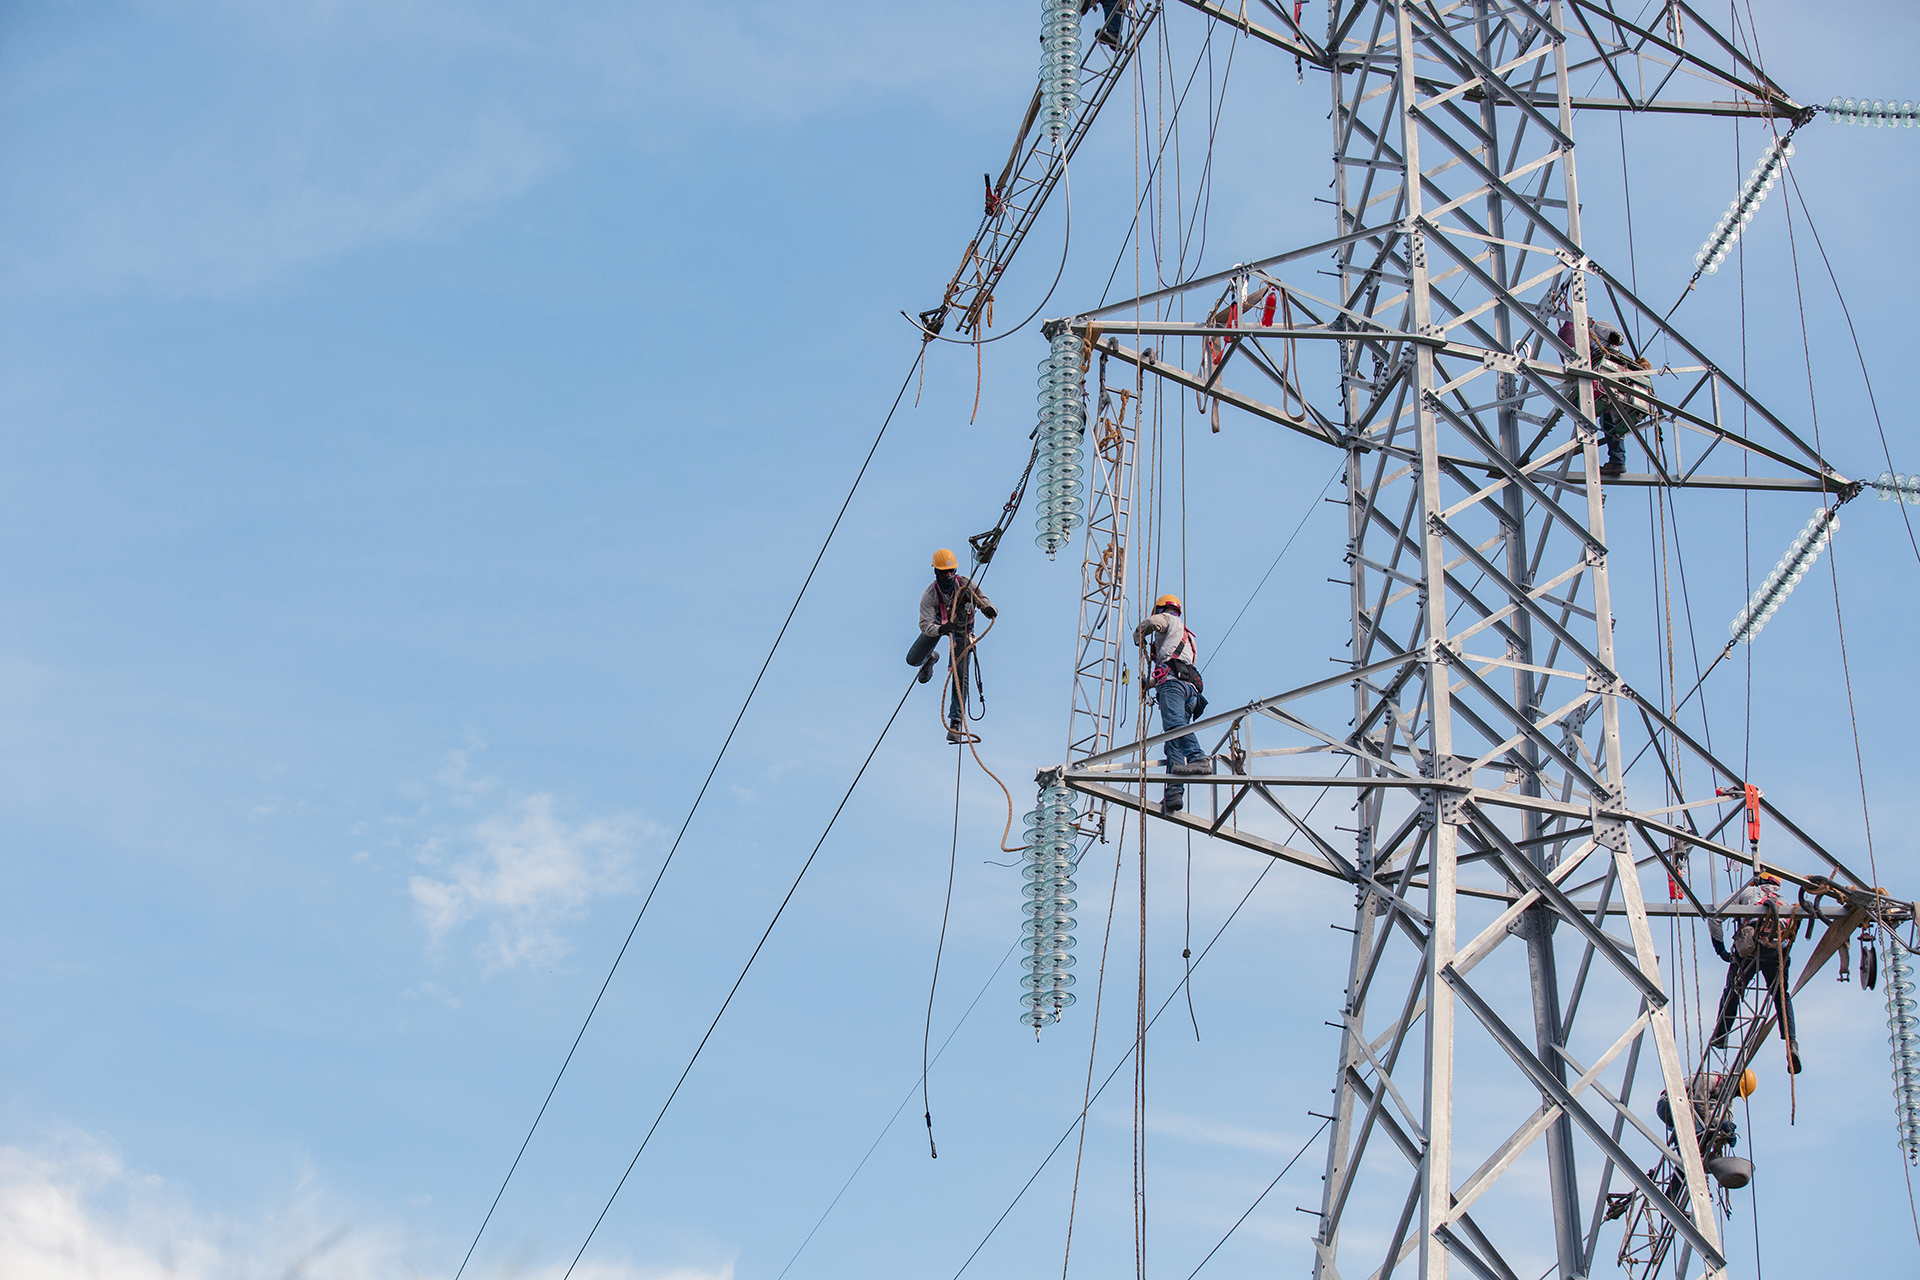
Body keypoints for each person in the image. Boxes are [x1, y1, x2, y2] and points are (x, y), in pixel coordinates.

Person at [1708, 870, 1801, 1073]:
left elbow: (1715, 917)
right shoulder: (1785, 904)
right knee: (1781, 997)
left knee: (1733, 990)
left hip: (1751, 947)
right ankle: (1791, 1043)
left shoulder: (1748, 892)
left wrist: (1722, 951)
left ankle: (1721, 1035)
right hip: (1777, 950)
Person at [1132, 594, 1210, 815]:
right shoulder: (1186, 636)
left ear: (1161, 609)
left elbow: (1153, 623)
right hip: (1189, 690)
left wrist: (1139, 635)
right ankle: (1174, 794)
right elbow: (1176, 667)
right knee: (1173, 742)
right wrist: (1151, 684)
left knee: (1174, 725)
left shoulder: (1169, 619)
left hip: (1173, 685)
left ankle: (1198, 757)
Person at [918, 548, 997, 744]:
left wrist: (988, 609)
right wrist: (941, 629)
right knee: (912, 659)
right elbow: (924, 623)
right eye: (944, 572)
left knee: (961, 674)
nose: (949, 575)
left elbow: (981, 598)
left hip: (962, 631)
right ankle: (930, 658)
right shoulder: (930, 595)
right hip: (939, 626)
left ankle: (955, 722)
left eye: (951, 570)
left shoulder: (964, 584)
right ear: (936, 573)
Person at [1559, 317, 1652, 478]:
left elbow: (1616, 337)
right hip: (1607, 380)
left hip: (1611, 372)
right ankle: (1616, 461)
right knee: (1608, 421)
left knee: (1576, 403)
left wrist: (1613, 337)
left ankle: (1584, 437)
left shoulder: (1596, 327)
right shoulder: (1576, 343)